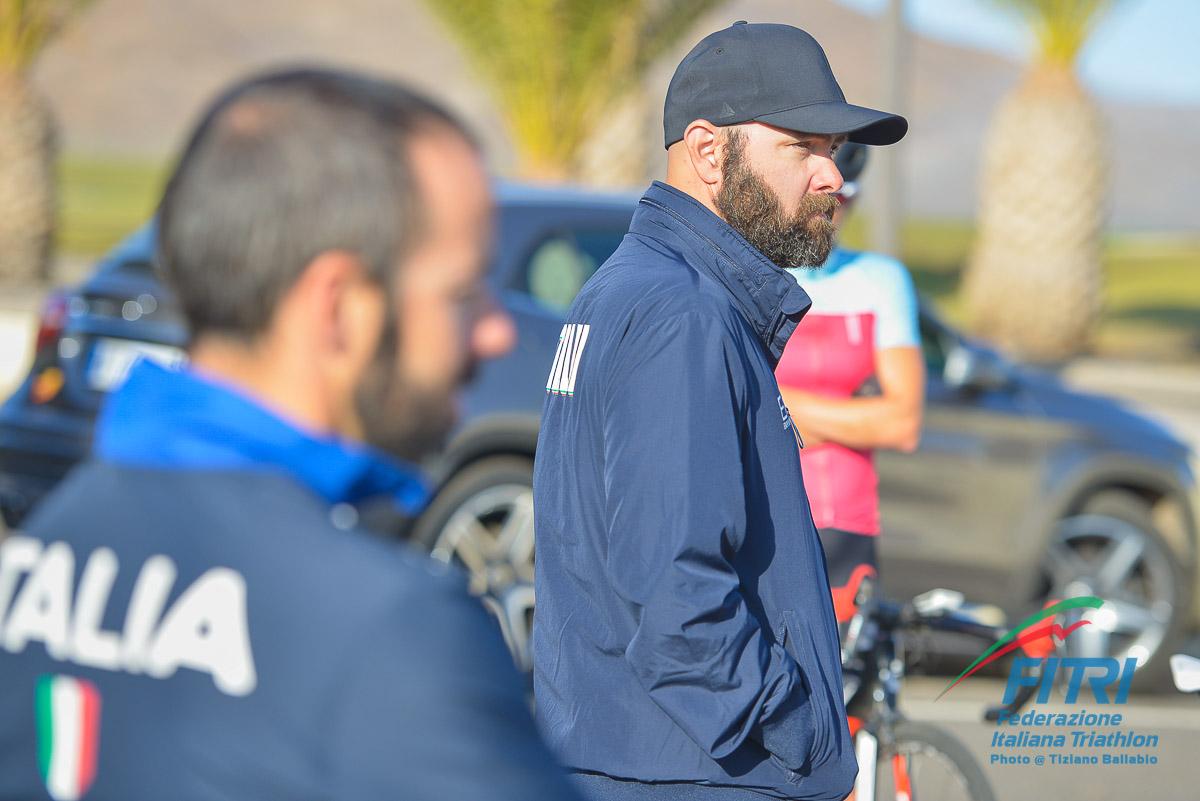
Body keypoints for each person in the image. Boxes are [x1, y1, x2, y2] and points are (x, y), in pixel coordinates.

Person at [0, 68, 582, 800]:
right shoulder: (390, 631)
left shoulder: (53, 546)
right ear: (337, 308)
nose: (497, 331)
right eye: (463, 292)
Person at [533, 22, 906, 801]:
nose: (831, 175)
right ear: (708, 152)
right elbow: (676, 594)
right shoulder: (682, 314)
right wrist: (799, 733)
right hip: (694, 770)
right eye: (803, 145)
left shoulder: (629, 288)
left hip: (645, 754)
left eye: (833, 151)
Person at [776, 143, 925, 626]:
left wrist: (779, 407)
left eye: (846, 199)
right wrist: (852, 417)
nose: (833, 209)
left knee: (847, 694)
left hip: (846, 520)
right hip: (764, 513)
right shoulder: (755, 272)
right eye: (824, 195)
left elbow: (902, 422)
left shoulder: (881, 280)